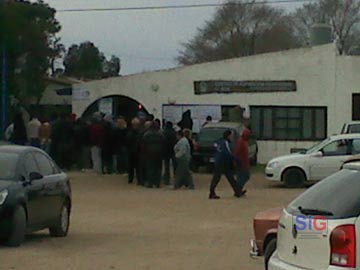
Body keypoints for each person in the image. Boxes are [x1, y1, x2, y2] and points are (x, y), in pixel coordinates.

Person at [209, 130, 241, 199]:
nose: (232, 137)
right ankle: (212, 192)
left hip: (218, 161)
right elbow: (228, 153)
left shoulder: (218, 141)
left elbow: (213, 147)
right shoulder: (225, 142)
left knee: (227, 177)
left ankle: (238, 191)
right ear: (228, 136)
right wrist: (236, 159)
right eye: (231, 136)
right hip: (223, 162)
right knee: (221, 177)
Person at [141, 121, 164, 188]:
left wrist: (143, 153)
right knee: (158, 168)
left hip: (149, 153)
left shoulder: (146, 134)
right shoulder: (160, 134)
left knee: (150, 168)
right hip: (159, 153)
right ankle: (157, 183)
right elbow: (164, 144)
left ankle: (150, 183)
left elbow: (143, 145)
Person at [234, 128, 252, 194]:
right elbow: (236, 153)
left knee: (244, 176)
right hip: (241, 163)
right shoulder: (240, 142)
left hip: (245, 163)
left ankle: (238, 189)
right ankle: (238, 190)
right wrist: (238, 162)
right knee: (243, 176)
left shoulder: (245, 142)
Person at [127, 118, 141, 184]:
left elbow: (127, 141)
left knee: (131, 167)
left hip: (131, 151)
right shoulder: (140, 132)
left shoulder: (130, 132)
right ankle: (138, 179)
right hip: (137, 151)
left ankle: (130, 179)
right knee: (138, 167)